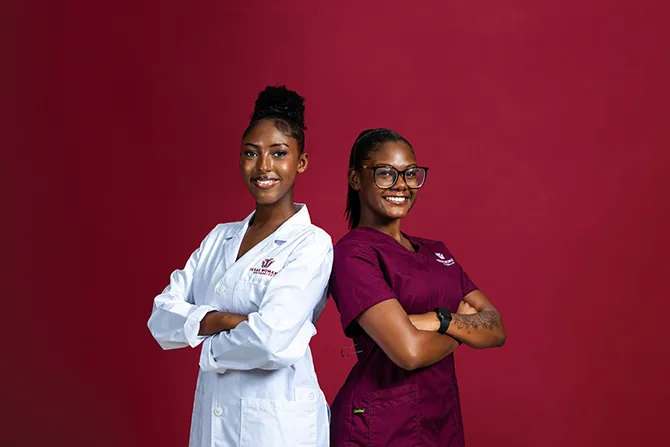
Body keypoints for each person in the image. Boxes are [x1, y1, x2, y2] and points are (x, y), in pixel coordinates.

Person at [147, 86, 332, 447]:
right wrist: (229, 321)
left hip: (278, 428)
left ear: (301, 162)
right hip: (214, 416)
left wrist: (204, 335)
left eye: (279, 153)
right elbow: (160, 318)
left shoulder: (311, 243)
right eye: (251, 153)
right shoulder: (219, 238)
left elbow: (270, 343)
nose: (263, 167)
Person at [328, 128, 507, 446]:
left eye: (411, 173)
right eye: (385, 173)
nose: (401, 185)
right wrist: (460, 329)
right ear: (356, 179)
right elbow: (408, 352)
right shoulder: (354, 253)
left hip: (441, 418)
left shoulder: (436, 251)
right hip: (379, 425)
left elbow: (495, 328)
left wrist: (437, 321)